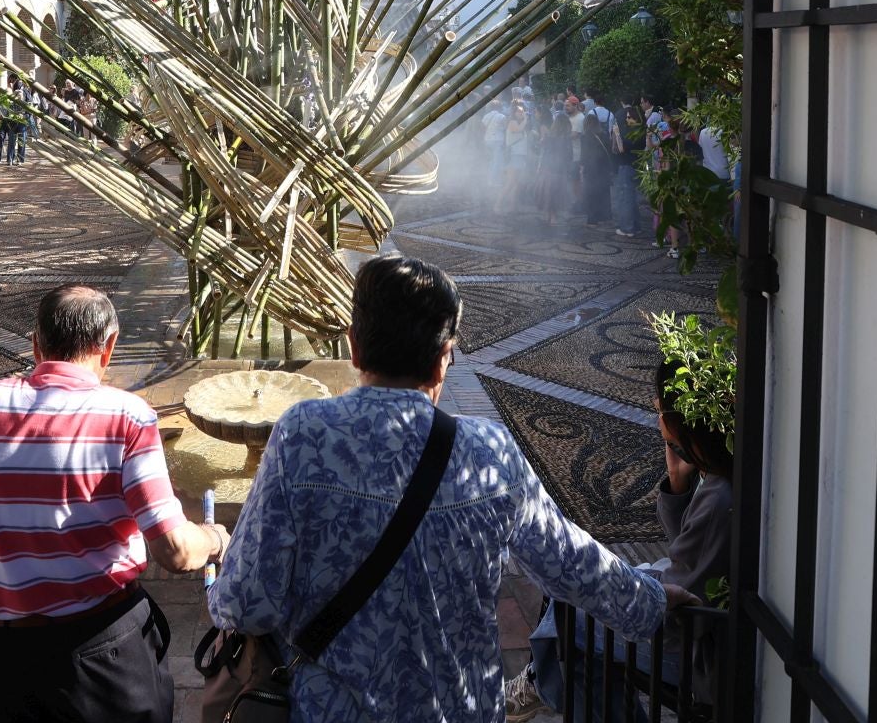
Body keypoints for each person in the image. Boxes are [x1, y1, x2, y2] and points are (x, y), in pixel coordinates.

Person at [208, 257, 667, 722]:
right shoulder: (489, 454)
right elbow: (573, 563)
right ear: (442, 358)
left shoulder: (302, 437)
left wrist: (219, 563)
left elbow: (245, 604)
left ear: (354, 347)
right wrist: (655, 602)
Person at [0, 284, 227, 723]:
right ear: (108, 347)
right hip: (100, 648)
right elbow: (177, 552)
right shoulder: (126, 417)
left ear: (36, 345)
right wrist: (213, 537)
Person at [508, 358, 734, 720]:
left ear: (680, 423)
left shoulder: (719, 497)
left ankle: (539, 682)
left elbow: (677, 619)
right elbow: (693, 557)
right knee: (573, 599)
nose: (656, 419)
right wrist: (678, 484)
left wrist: (633, 600)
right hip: (694, 622)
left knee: (568, 622)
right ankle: (539, 680)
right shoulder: (720, 473)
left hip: (701, 658)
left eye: (659, 410)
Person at [580, 91, 617, 227]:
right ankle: (605, 215)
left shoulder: (586, 136)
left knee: (591, 192)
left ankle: (593, 218)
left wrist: (582, 167)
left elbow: (584, 154)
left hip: (591, 167)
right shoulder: (606, 128)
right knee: (604, 191)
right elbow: (612, 134)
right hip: (604, 166)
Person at [614, 105, 649, 239]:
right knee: (633, 198)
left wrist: (617, 133)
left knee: (626, 198)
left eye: (629, 117)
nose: (627, 119)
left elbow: (622, 148)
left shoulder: (633, 132)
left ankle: (627, 228)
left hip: (627, 166)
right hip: (637, 165)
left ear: (635, 118)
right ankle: (636, 226)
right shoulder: (642, 131)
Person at [538, 111, 576, 226]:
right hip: (560, 170)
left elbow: (545, 153)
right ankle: (553, 217)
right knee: (555, 193)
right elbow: (569, 156)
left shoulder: (549, 137)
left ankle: (548, 215)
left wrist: (540, 167)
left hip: (548, 169)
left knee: (548, 193)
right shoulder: (566, 139)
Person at [0, 78, 29, 166]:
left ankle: (20, 160)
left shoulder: (25, 105)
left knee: (22, 141)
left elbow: (29, 115)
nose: (19, 97)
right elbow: (6, 113)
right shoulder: (10, 104)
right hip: (12, 124)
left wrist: (23, 116)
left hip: (22, 124)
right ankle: (10, 159)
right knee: (11, 142)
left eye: (20, 95)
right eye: (17, 95)